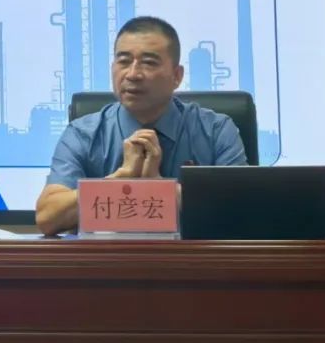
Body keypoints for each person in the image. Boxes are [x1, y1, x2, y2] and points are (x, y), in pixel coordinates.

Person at [35, 15, 247, 236]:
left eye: (148, 63)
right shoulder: (83, 134)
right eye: (123, 61)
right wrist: (117, 182)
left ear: (177, 76)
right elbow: (47, 218)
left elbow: (240, 210)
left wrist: (159, 189)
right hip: (105, 258)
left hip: (193, 258)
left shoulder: (215, 131)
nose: (133, 74)